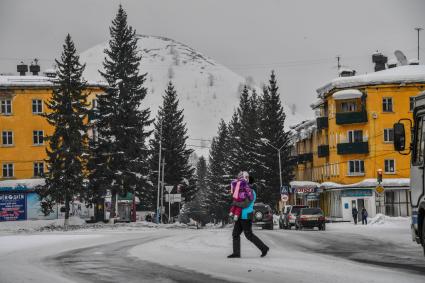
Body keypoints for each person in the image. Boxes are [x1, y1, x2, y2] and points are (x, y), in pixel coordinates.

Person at [228, 173, 269, 258]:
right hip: (240, 216)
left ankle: (264, 248)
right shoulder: (242, 190)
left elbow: (245, 204)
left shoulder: (251, 192)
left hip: (246, 216)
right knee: (235, 234)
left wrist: (235, 203)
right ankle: (236, 253)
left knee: (249, 235)